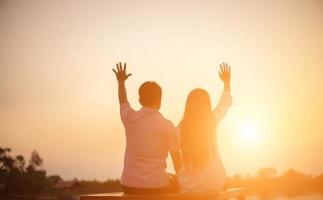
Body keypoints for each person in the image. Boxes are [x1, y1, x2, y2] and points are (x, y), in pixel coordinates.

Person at [112, 62, 181, 194]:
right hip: (157, 186)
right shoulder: (167, 125)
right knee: (178, 183)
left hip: (129, 185)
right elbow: (177, 161)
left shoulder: (129, 118)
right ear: (160, 100)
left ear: (140, 100)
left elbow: (123, 101)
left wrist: (121, 82)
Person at [177, 63, 232, 192]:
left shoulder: (179, 129)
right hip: (215, 182)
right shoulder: (212, 119)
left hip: (188, 187)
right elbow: (225, 102)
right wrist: (226, 83)